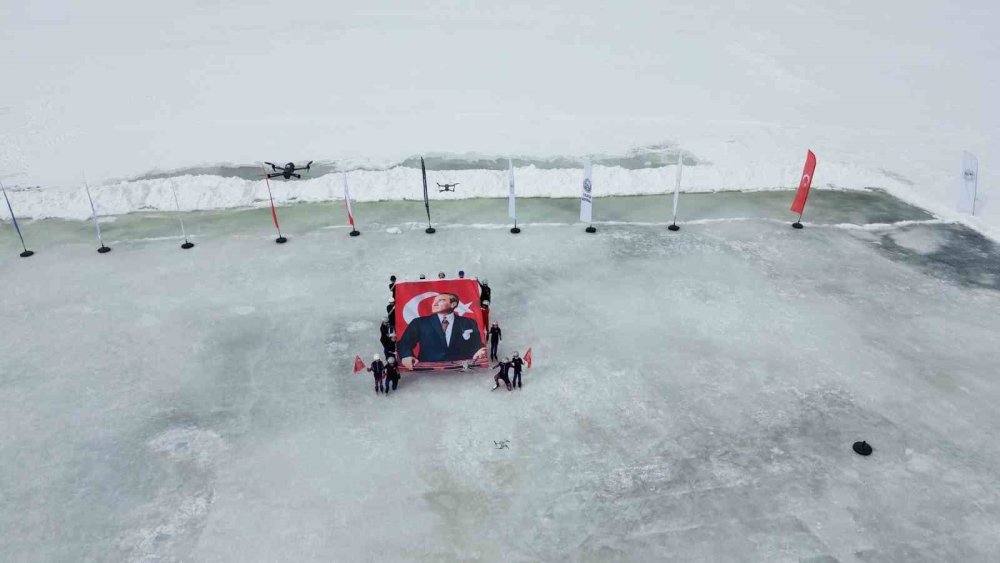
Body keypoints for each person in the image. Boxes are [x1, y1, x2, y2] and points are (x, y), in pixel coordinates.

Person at [397, 293, 486, 369]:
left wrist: (480, 350)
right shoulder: (419, 322)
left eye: (440, 300)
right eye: (434, 301)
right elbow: (405, 342)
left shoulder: (469, 322)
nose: (434, 303)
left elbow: (477, 344)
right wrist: (406, 356)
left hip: (460, 370)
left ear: (453, 304)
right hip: (428, 371)